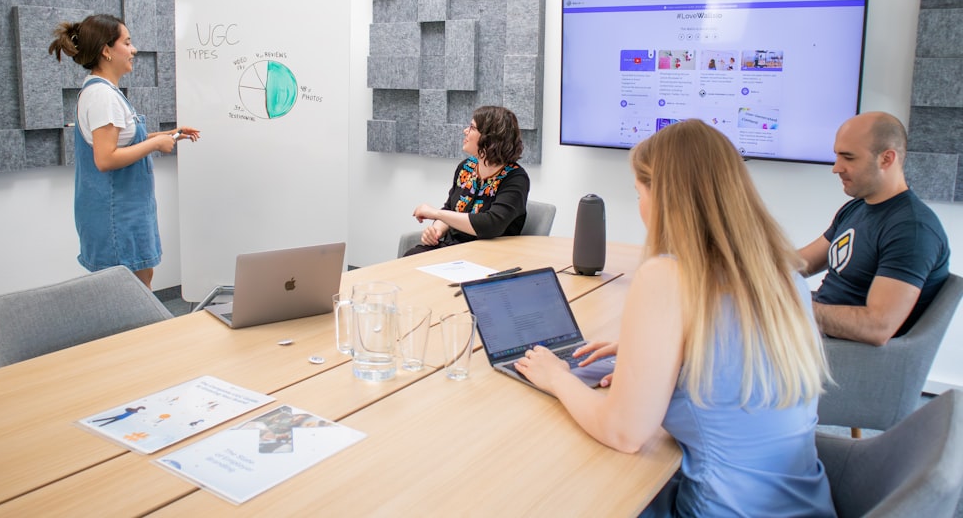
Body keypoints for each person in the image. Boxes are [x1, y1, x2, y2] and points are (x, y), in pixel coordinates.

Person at [515, 120, 835, 516]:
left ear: (664, 197)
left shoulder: (667, 277)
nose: (640, 207)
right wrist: (652, 357)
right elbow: (729, 360)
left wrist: (557, 377)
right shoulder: (783, 276)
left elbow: (625, 433)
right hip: (807, 504)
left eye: (638, 193)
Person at [48, 14, 200, 289]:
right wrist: (154, 145)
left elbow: (121, 142)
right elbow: (105, 159)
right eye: (127, 43)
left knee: (140, 280)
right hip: (116, 213)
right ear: (106, 50)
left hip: (124, 209)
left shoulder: (104, 92)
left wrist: (167, 135)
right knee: (129, 290)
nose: (134, 50)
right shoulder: (102, 97)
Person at [798, 111, 950, 346]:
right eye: (837, 156)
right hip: (818, 333)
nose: (836, 168)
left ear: (886, 159)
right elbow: (802, 263)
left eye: (848, 157)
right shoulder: (857, 208)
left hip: (844, 353)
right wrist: (741, 269)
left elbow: (877, 326)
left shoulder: (912, 230)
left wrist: (793, 308)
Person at [406, 106, 529, 255]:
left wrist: (435, 213)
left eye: (472, 128)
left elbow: (491, 225)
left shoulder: (516, 178)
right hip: (453, 249)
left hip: (488, 256)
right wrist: (436, 231)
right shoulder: (466, 167)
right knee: (411, 257)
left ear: (490, 138)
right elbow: (451, 209)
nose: (465, 131)